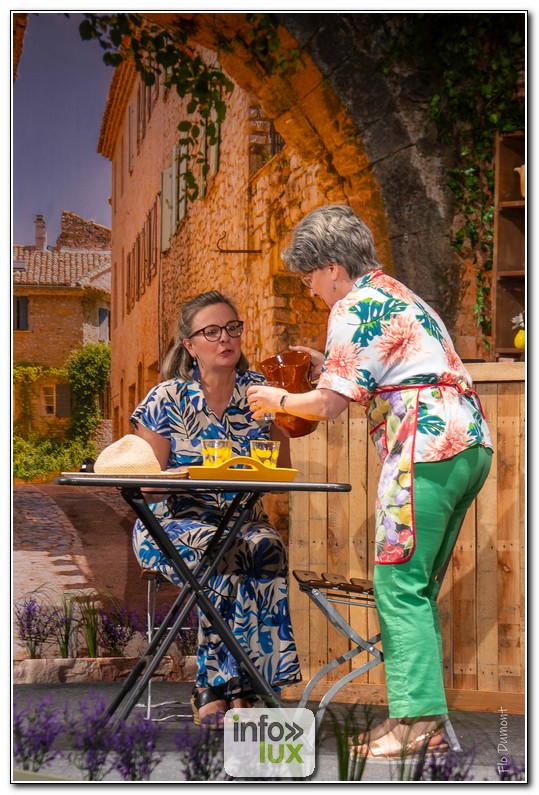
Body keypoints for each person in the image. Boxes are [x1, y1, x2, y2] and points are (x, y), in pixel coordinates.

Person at [247, 204, 493, 758]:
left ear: (332, 268)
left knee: (398, 585)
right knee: (414, 587)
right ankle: (417, 719)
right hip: (467, 445)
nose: (311, 290)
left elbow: (327, 405)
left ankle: (414, 726)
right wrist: (323, 360)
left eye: (309, 277)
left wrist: (276, 398)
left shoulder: (351, 306)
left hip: (424, 446)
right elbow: (383, 366)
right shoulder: (396, 294)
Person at [130, 290, 301, 727]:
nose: (225, 338)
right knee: (222, 552)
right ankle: (228, 687)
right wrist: (192, 475)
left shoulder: (261, 393)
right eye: (211, 331)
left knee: (266, 547)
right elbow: (148, 485)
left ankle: (241, 685)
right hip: (172, 522)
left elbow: (280, 467)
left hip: (243, 521)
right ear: (190, 345)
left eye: (231, 328)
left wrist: (282, 418)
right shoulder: (167, 398)